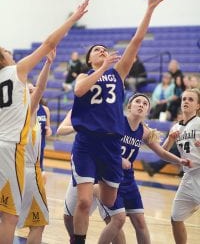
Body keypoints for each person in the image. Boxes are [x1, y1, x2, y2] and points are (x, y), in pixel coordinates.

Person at [71, 0, 169, 243]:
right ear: (89, 59)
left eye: (104, 49)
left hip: (111, 145)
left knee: (109, 201)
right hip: (87, 142)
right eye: (96, 51)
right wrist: (102, 69)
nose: (102, 51)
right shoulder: (84, 76)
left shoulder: (118, 74)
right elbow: (79, 91)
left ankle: (91, 186)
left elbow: (136, 41)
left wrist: (150, 8)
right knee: (83, 202)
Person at [0, 0, 88, 244]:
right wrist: (72, 19)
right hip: (11, 149)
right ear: (4, 59)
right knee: (9, 217)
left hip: (4, 147)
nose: (13, 55)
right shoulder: (16, 71)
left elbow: (38, 91)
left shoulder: (17, 91)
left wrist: (49, 64)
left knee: (10, 216)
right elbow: (49, 42)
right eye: (9, 53)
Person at [95, 93, 190, 244]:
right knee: (117, 221)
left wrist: (180, 160)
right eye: (137, 102)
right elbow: (99, 146)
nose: (141, 104)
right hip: (107, 177)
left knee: (140, 222)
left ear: (147, 111)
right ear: (129, 106)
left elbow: (161, 152)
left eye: (145, 104)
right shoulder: (117, 122)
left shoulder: (144, 131)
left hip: (128, 180)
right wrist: (118, 159)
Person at [57, 110, 126, 244]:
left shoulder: (112, 110)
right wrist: (80, 126)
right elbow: (60, 130)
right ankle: (75, 239)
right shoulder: (79, 108)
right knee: (68, 217)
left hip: (103, 170)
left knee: (114, 218)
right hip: (83, 165)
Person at [17, 49, 56, 243]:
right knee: (38, 224)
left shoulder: (8, 112)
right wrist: (47, 64)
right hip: (28, 171)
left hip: (11, 168)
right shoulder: (28, 110)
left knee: (7, 219)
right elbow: (40, 87)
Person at [162, 88, 200, 244]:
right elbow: (162, 153)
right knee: (176, 218)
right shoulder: (175, 128)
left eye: (191, 99)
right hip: (189, 176)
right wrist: (170, 140)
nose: (186, 102)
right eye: (184, 99)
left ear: (198, 105)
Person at [37, 98, 52, 183]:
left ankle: (40, 193)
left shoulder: (45, 109)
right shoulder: (25, 107)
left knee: (41, 171)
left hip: (40, 146)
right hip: (27, 145)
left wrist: (48, 130)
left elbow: (48, 128)